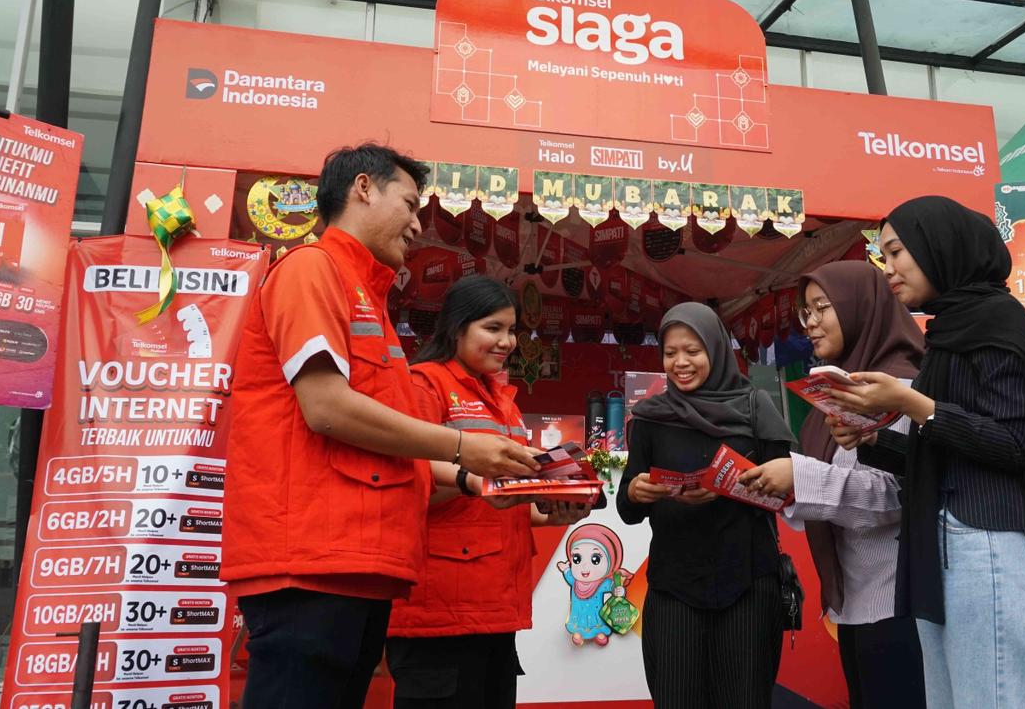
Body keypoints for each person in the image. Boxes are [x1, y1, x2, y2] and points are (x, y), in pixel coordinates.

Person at [221, 144, 540, 709]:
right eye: (410, 205)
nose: (417, 225)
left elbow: (396, 446)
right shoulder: (311, 269)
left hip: (361, 563)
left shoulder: (367, 297)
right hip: (311, 562)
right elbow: (326, 407)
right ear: (363, 188)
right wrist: (464, 449)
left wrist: (495, 482)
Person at [826, 196, 1025, 709]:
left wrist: (911, 402)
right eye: (882, 256)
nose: (888, 269)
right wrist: (873, 439)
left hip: (991, 549)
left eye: (897, 252)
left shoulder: (997, 322)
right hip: (945, 554)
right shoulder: (947, 332)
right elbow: (945, 456)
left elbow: (1015, 445)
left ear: (939, 247)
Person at [386, 275, 590, 709]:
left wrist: (551, 510)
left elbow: (501, 501)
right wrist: (476, 480)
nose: (507, 342)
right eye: (492, 328)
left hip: (496, 605)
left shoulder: (502, 399)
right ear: (456, 327)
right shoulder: (424, 385)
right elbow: (406, 482)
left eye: (512, 330)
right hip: (440, 607)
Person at [739, 261, 926, 709]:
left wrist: (799, 478)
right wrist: (781, 486)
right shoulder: (836, 387)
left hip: (899, 600)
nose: (811, 322)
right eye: (806, 311)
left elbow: (894, 495)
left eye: (822, 307)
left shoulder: (899, 388)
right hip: (854, 602)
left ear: (860, 306)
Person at [618, 302, 795, 709]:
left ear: (715, 350)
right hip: (674, 585)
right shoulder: (650, 418)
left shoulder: (755, 407)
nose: (680, 363)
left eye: (692, 351)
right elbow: (628, 508)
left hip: (748, 581)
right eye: (670, 353)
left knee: (745, 699)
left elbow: (785, 493)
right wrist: (636, 492)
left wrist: (737, 485)